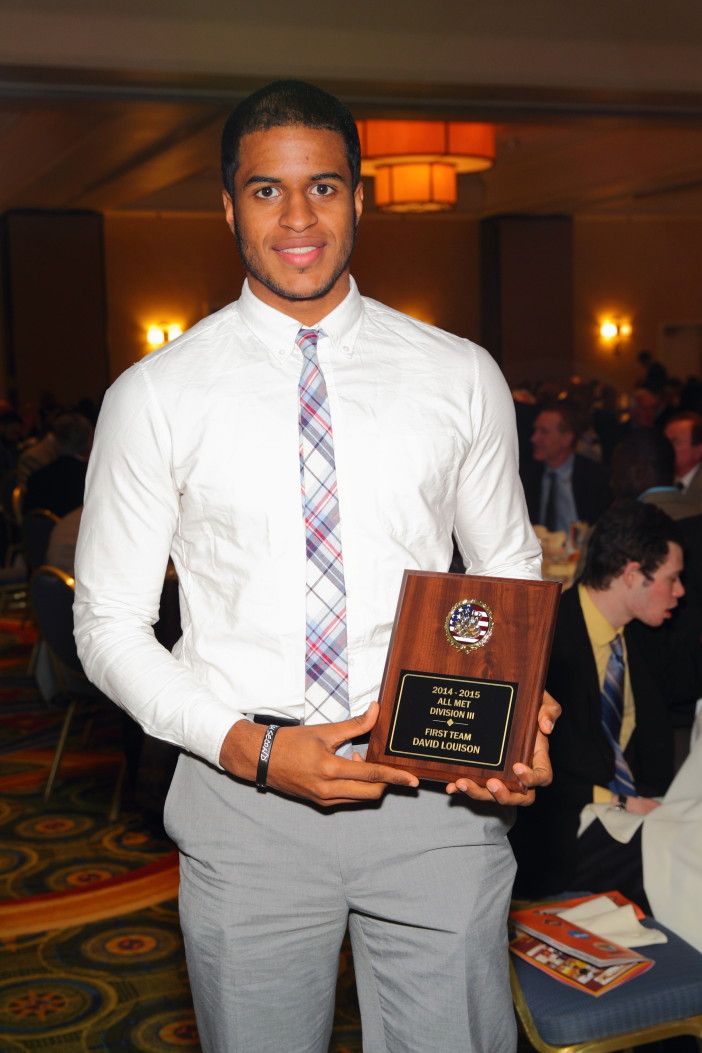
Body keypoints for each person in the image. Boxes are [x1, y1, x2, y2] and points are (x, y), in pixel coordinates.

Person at [74, 80, 558, 1053]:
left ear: (360, 199)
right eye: (266, 191)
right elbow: (110, 625)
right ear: (227, 206)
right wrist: (252, 747)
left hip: (433, 789)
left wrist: (514, 710)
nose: (298, 217)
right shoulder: (156, 397)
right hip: (244, 799)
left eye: (324, 187)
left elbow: (505, 568)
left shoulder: (457, 373)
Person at [511, 500, 683, 908]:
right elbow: (534, 766)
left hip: (622, 807)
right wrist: (624, 802)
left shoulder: (642, 636)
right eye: (672, 579)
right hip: (557, 827)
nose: (680, 592)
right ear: (631, 574)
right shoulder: (550, 638)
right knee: (678, 857)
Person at [521, 400, 611, 533]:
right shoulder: (526, 475)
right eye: (535, 430)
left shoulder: (595, 477)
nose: (534, 438)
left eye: (544, 432)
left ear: (567, 439)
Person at [664, 410, 702, 496]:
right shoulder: (660, 480)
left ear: (698, 450)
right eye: (665, 442)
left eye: (674, 442)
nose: (666, 448)